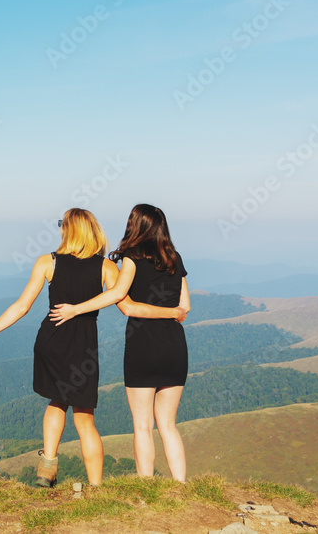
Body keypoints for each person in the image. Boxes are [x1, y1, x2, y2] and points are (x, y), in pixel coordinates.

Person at [0, 208, 118, 487]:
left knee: (56, 402)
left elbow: (22, 306)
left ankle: (46, 473)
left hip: (52, 340)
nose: (59, 228)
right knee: (85, 419)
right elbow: (123, 301)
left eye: (62, 224)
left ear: (69, 230)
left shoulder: (48, 263)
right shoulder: (106, 268)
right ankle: (96, 488)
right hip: (83, 344)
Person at [49, 204, 190, 482]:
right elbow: (185, 306)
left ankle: (146, 485)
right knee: (169, 425)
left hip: (143, 347)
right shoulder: (175, 259)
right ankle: (181, 486)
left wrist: (77, 308)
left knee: (142, 426)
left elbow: (125, 304)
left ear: (134, 225)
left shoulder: (131, 259)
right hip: (175, 347)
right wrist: (172, 313)